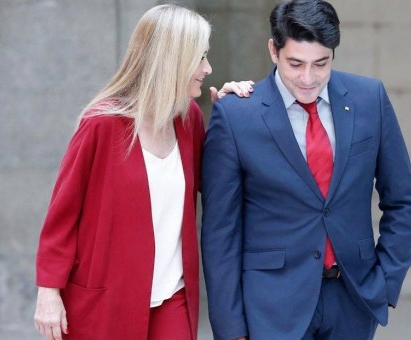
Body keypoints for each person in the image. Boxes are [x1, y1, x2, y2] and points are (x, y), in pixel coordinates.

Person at [201, 0, 411, 339]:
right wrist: (231, 329)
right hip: (270, 307)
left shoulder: (369, 98)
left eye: (321, 63)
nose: (308, 78)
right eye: (295, 64)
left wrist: (385, 282)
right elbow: (220, 233)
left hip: (353, 301)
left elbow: (402, 200)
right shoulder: (235, 115)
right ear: (273, 51)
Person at [33, 5, 252, 340]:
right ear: (172, 59)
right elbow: (62, 215)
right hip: (106, 302)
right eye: (200, 58)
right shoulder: (101, 125)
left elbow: (217, 186)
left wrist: (232, 116)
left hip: (173, 299)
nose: (208, 68)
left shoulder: (188, 118)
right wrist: (48, 291)